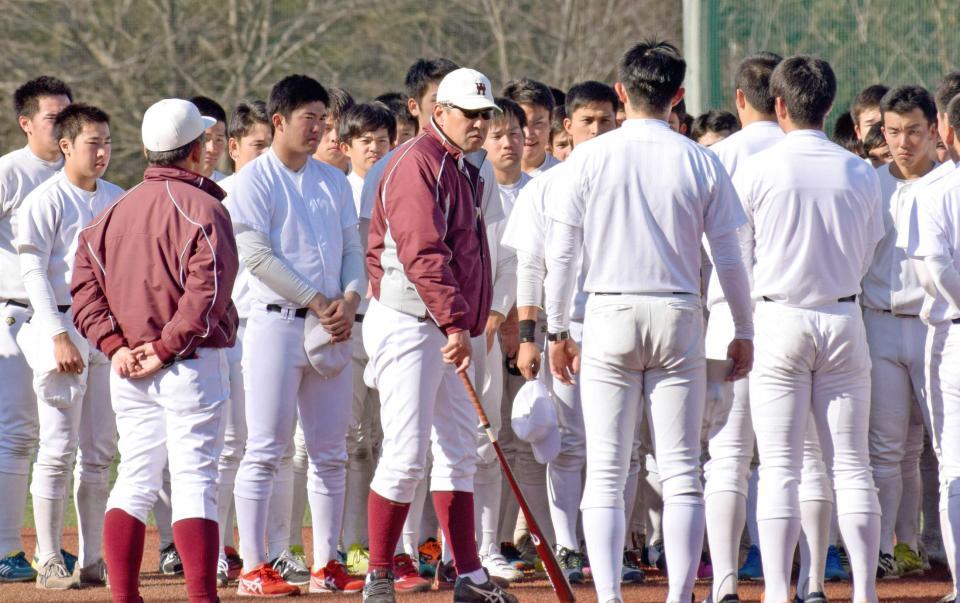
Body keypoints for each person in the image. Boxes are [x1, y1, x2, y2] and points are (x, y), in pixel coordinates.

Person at [544, 40, 753, 603]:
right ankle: (679, 595)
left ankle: (609, 596)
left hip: (607, 311)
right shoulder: (698, 157)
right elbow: (730, 255)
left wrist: (557, 330)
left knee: (607, 470)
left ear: (620, 94)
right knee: (683, 468)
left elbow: (561, 253)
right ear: (677, 96)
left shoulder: (587, 157)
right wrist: (744, 328)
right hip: (679, 309)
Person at [71, 97, 239, 603]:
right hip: (189, 364)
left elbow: (84, 294)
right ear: (192, 150)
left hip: (131, 370)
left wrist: (116, 347)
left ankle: (125, 596)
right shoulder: (205, 208)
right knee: (194, 482)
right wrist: (163, 348)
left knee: (135, 479)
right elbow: (207, 295)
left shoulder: (109, 214)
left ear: (149, 149)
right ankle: (201, 598)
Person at [362, 66, 515, 603]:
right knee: (406, 454)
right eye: (468, 115)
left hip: (448, 324)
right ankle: (379, 571)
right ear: (438, 113)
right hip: (409, 321)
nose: (478, 124)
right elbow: (422, 254)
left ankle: (468, 574)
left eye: (484, 115)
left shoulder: (468, 167)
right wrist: (456, 321)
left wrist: (466, 323)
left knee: (459, 449)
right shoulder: (415, 163)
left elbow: (474, 256)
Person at [734, 56, 884, 603]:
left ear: (778, 107)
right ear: (829, 105)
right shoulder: (860, 170)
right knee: (852, 463)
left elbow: (738, 252)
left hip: (779, 316)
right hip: (844, 315)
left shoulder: (758, 168)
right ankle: (864, 591)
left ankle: (779, 591)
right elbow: (871, 246)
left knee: (780, 466)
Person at [228, 74, 365, 597]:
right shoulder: (253, 180)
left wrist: (349, 301)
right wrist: (318, 300)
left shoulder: (332, 180)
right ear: (279, 121)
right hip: (274, 324)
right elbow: (257, 257)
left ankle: (325, 563)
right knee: (265, 449)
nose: (319, 129)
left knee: (331, 451)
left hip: (331, 325)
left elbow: (355, 248)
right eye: (309, 118)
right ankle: (253, 568)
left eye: (323, 119)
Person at [503, 80, 622, 586]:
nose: (596, 130)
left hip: (618, 321)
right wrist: (530, 334)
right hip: (565, 330)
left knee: (620, 447)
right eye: (586, 121)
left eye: (604, 120)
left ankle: (612, 546)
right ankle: (568, 544)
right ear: (566, 128)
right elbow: (530, 267)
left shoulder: (628, 180)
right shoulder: (546, 186)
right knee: (568, 442)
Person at [18, 104, 122, 590]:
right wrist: (56, 333)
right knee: (57, 448)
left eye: (107, 143)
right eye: (92, 143)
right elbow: (33, 269)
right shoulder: (45, 199)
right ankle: (48, 556)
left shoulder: (119, 198)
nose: (102, 152)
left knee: (100, 450)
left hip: (107, 330)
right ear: (66, 145)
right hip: (58, 324)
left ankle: (93, 557)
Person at [700, 51, 782, 603]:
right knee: (790, 459)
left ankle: (725, 581)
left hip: (725, 312)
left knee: (726, 457)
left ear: (738, 100)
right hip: (793, 309)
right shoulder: (807, 150)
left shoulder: (715, 155)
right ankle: (796, 582)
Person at [862, 85, 939, 579]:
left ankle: (931, 544)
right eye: (893, 132)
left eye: (913, 131)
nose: (903, 142)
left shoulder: (951, 183)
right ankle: (890, 546)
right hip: (880, 324)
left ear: (935, 130)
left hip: (938, 325)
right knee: (887, 447)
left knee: (943, 448)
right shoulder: (868, 183)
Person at [0, 75, 72, 583]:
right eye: (52, 116)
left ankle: (51, 548)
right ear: (26, 123)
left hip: (69, 318)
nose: (62, 123)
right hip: (14, 314)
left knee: (64, 438)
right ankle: (6, 549)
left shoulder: (78, 173)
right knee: (18, 432)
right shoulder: (9, 172)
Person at [336, 100, 398, 580]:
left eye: (383, 140)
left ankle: (392, 545)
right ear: (347, 146)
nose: (375, 148)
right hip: (350, 328)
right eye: (366, 141)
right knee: (355, 440)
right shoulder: (339, 190)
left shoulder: (399, 182)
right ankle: (351, 542)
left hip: (394, 326)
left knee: (390, 440)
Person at [213, 99, 274, 587]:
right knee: (229, 446)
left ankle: (268, 549)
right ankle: (215, 549)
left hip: (276, 329)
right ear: (233, 147)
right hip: (232, 331)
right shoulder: (219, 195)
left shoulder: (283, 187)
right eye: (257, 146)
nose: (266, 154)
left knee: (268, 446)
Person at [908, 92, 960, 603]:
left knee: (954, 466)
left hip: (954, 332)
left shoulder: (937, 187)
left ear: (944, 128)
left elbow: (935, 268)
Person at [474, 95, 526, 585]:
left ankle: (488, 546)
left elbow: (513, 262)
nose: (507, 142)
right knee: (441, 445)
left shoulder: (536, 190)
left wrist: (499, 314)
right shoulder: (462, 181)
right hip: (448, 329)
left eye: (514, 132)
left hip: (494, 331)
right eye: (497, 133)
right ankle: (435, 546)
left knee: (491, 442)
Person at [502, 77, 558, 176]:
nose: (528, 134)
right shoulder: (487, 177)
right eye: (521, 123)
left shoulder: (566, 177)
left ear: (551, 122)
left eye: (538, 123)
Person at [313, 87, 355, 173]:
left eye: (341, 128)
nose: (335, 137)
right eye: (326, 128)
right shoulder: (293, 178)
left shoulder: (367, 179)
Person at [190, 96, 228, 181]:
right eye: (205, 139)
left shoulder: (229, 189)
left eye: (219, 140)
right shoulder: (169, 186)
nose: (212, 149)